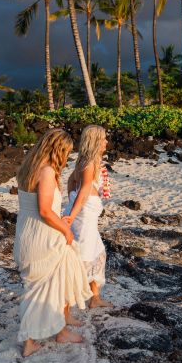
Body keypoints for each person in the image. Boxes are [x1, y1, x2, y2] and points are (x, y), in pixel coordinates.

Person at [13, 129, 92, 357]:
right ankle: (30, 341)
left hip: (27, 232)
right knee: (44, 289)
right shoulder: (46, 172)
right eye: (66, 152)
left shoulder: (28, 167)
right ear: (58, 149)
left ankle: (59, 328)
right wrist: (65, 229)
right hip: (43, 236)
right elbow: (46, 211)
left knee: (51, 282)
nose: (67, 157)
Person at [63, 125, 114, 309]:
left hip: (87, 214)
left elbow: (71, 181)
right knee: (83, 257)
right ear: (95, 141)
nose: (106, 142)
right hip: (84, 216)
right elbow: (83, 190)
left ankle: (95, 297)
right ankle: (65, 305)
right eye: (103, 139)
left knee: (98, 252)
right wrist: (71, 213)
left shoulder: (87, 160)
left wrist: (71, 197)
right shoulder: (89, 162)